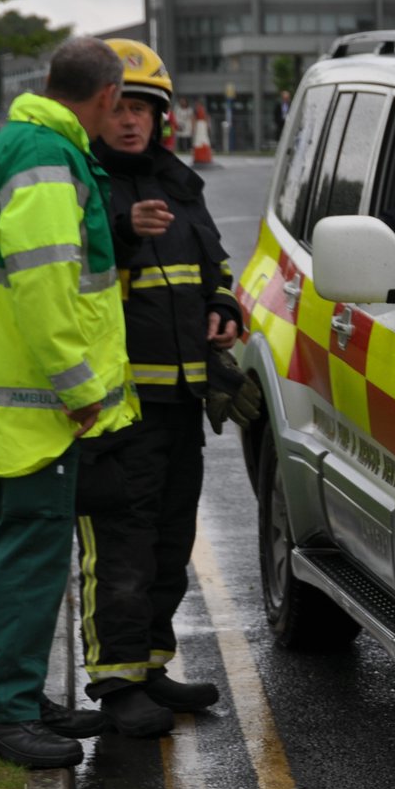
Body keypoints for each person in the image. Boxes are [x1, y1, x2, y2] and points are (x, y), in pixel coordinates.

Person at [0, 38, 139, 769]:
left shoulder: (18, 145)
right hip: (42, 402)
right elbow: (46, 285)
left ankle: (13, 695)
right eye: (120, 101)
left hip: (13, 395)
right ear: (105, 96)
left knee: (11, 550)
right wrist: (80, 388)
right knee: (29, 556)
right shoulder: (47, 159)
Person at [73, 39, 244, 737]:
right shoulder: (83, 187)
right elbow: (71, 282)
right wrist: (120, 230)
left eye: (143, 108)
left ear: (162, 117)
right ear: (99, 111)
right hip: (116, 410)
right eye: (119, 106)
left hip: (181, 401)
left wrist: (225, 308)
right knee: (120, 543)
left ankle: (150, 664)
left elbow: (218, 264)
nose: (131, 121)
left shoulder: (179, 182)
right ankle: (115, 684)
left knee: (171, 538)